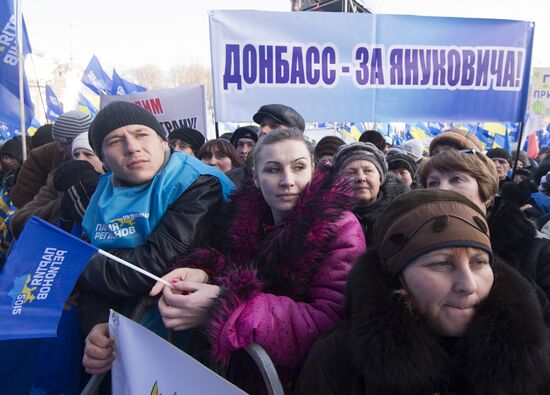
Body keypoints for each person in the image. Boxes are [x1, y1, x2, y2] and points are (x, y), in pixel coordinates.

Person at [151, 128, 366, 393]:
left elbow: (330, 322)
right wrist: (204, 273)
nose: (287, 180)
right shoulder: (244, 218)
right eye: (273, 170)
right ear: (254, 176)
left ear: (313, 168)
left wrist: (227, 307)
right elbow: (231, 267)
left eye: (298, 167)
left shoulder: (341, 226)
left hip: (302, 382)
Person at [295, 189, 550, 395]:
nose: (469, 285)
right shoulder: (339, 359)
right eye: (441, 264)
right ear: (398, 275)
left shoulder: (536, 352)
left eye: (479, 263)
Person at [77, 101, 235, 374]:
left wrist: (74, 264)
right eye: (115, 140)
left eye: (141, 134)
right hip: (125, 351)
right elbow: (93, 278)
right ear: (103, 160)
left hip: (190, 352)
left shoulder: (198, 183)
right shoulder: (101, 194)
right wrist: (97, 323)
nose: (132, 147)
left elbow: (151, 269)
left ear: (163, 142)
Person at [420, 150, 550, 320]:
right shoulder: (416, 245)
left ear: (487, 194)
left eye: (456, 179)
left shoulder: (538, 251)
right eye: (433, 183)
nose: (442, 189)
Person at [9, 110, 92, 208]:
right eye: (57, 141)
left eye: (65, 143)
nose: (60, 148)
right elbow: (23, 199)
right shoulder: (41, 156)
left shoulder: (108, 157)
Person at [332, 142, 408, 245]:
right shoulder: (328, 221)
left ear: (381, 179)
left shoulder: (402, 215)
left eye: (368, 171)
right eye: (351, 172)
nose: (361, 178)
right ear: (338, 181)